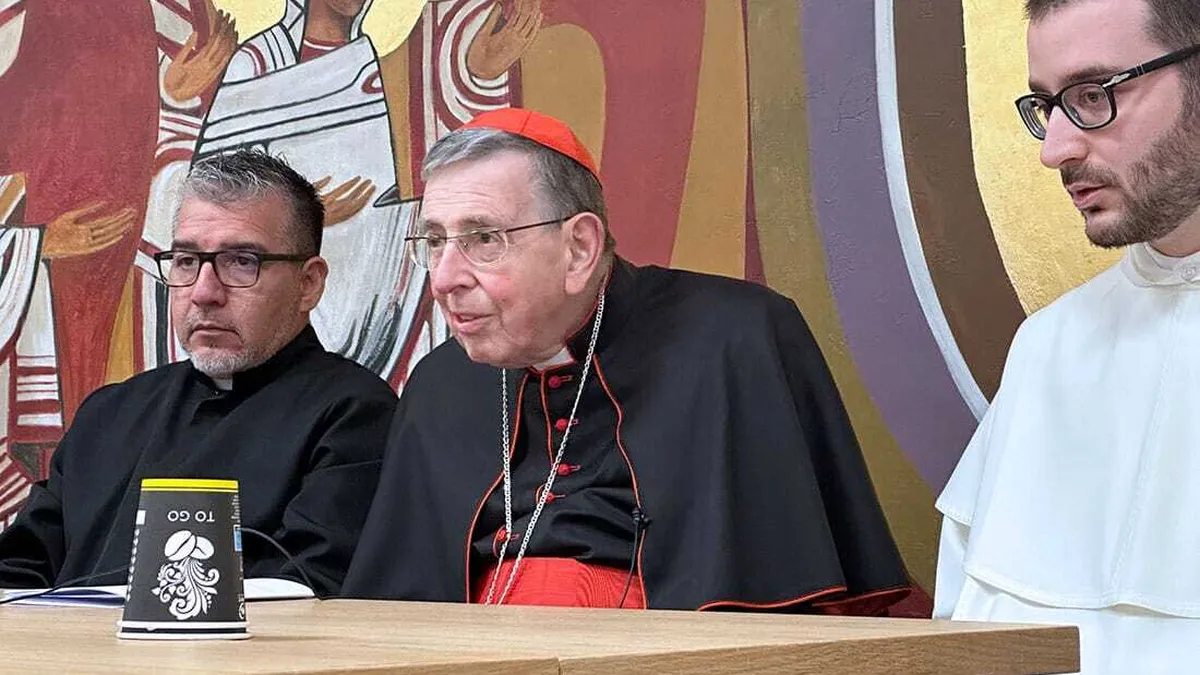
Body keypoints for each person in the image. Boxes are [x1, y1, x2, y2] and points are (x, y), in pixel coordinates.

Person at [343, 108, 911, 611]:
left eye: (484, 239)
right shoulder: (440, 383)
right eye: (434, 241)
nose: (444, 278)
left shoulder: (734, 338)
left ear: (579, 249)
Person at [935, 0, 1200, 671]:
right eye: (1047, 106)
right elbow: (963, 631)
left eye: (1093, 95)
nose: (1055, 150)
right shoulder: (1046, 346)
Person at [0, 150, 397, 597]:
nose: (204, 293)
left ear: (308, 284)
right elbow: (20, 569)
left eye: (241, 261)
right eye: (187, 261)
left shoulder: (355, 416)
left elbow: (309, 592)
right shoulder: (108, 413)